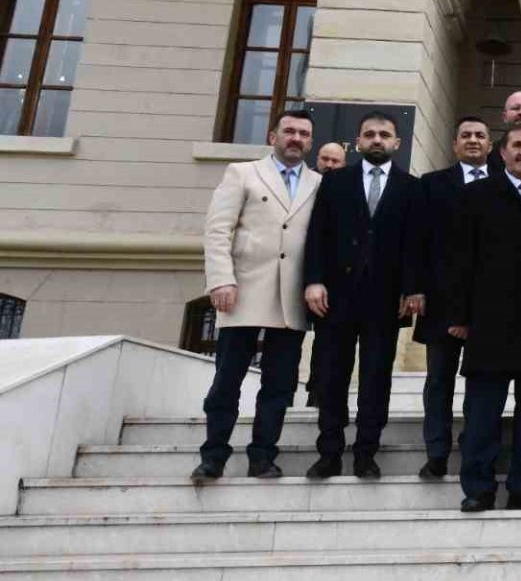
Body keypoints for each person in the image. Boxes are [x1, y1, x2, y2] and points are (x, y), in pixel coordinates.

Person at [192, 110, 322, 483]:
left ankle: (263, 456)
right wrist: (221, 280)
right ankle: (213, 456)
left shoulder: (319, 183)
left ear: (310, 141)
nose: (296, 138)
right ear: (272, 137)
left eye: (304, 133)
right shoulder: (242, 173)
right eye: (289, 131)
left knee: (279, 386)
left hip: (291, 298)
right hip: (243, 291)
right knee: (227, 380)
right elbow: (218, 229)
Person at [303, 111, 424, 480]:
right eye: (369, 134)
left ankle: (366, 453)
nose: (376, 139)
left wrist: (412, 288)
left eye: (384, 135)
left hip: (385, 300)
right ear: (358, 141)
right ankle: (329, 452)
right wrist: (313, 280)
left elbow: (415, 242)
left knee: (376, 377)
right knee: (332, 375)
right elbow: (317, 234)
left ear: (396, 143)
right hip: (336, 296)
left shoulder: (411, 187)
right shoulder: (335, 182)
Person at [448, 122, 521, 511]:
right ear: (502, 151)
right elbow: (459, 258)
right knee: (482, 414)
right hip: (488, 323)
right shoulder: (476, 194)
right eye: (518, 145)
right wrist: (460, 315)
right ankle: (478, 489)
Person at [412, 116, 493, 480]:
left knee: (481, 383)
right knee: (439, 381)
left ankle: (470, 444)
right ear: (454, 144)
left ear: (490, 145)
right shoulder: (431, 184)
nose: (473, 140)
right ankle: (436, 452)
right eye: (466, 135)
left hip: (488, 307)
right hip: (440, 302)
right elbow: (416, 240)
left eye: (480, 135)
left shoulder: (503, 183)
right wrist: (415, 287)